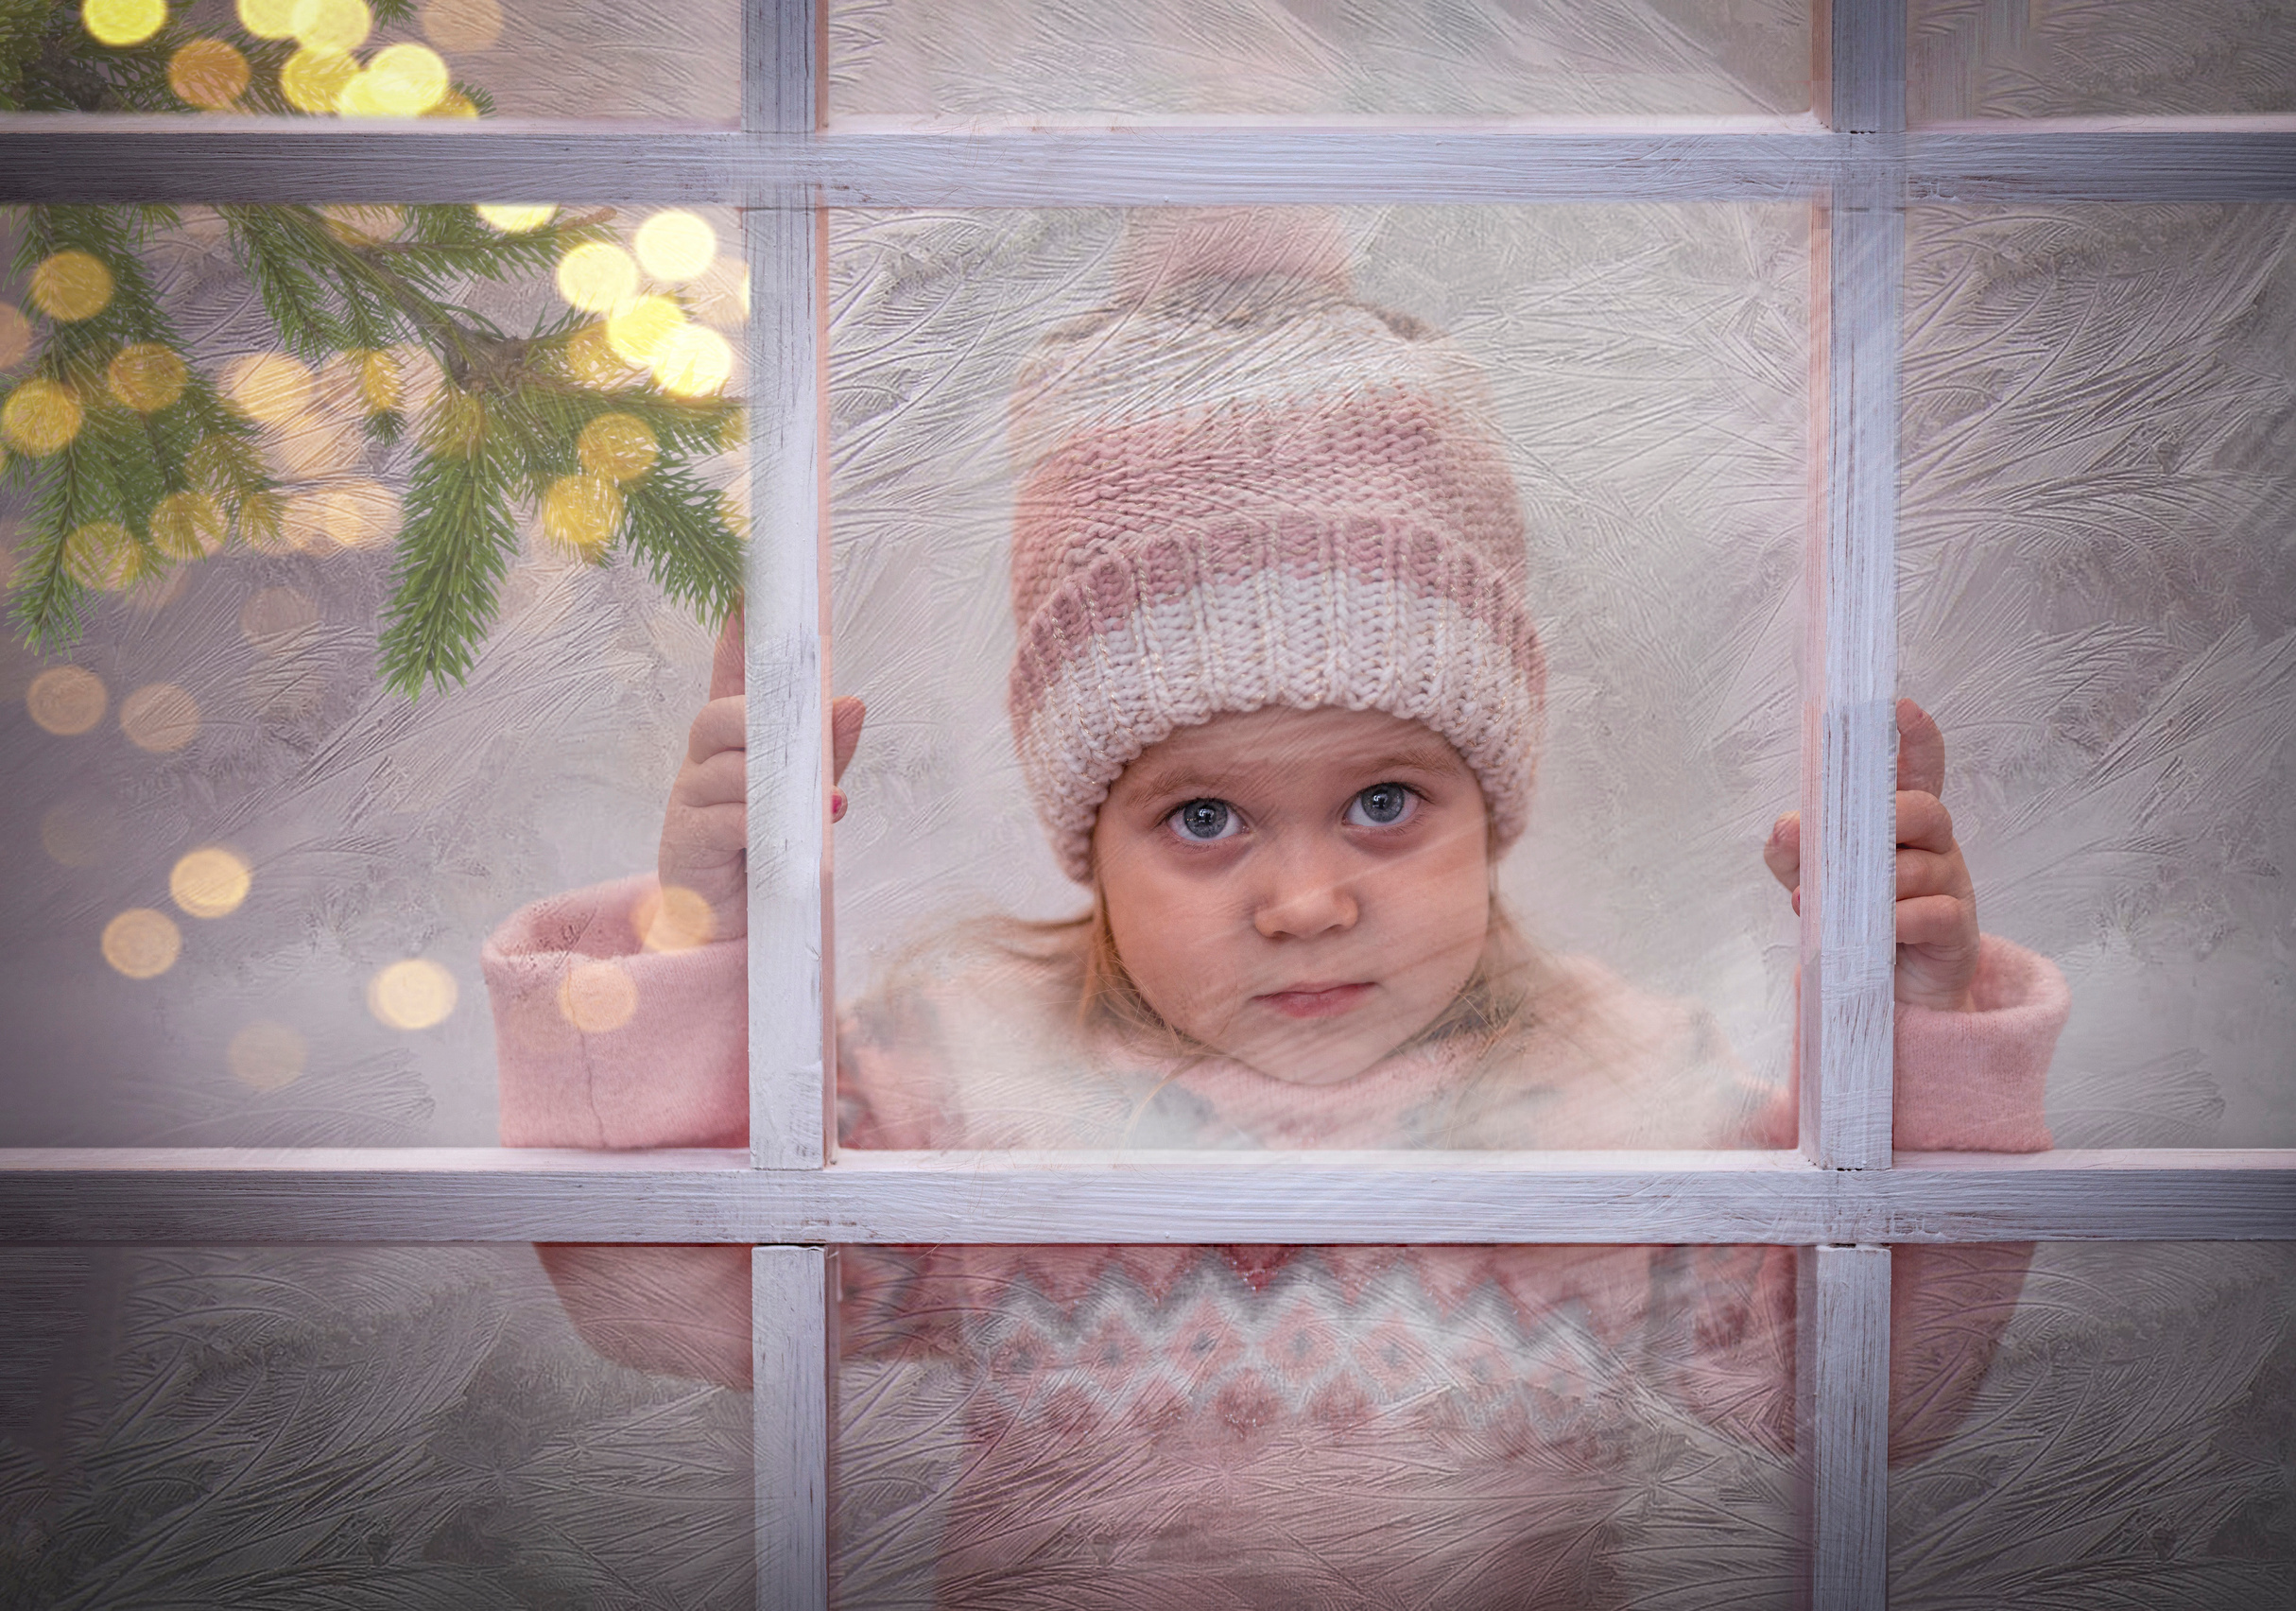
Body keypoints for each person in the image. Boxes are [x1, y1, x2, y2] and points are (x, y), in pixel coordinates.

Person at [486, 212, 2068, 1607]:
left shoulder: (1611, 1087)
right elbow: (673, 1299)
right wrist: (713, 935)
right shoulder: (972, 1074)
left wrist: (1907, 1023)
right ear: (1085, 841)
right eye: (1203, 817)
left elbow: (1865, 1391)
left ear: (1491, 807)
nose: (1306, 902)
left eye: (1386, 804)